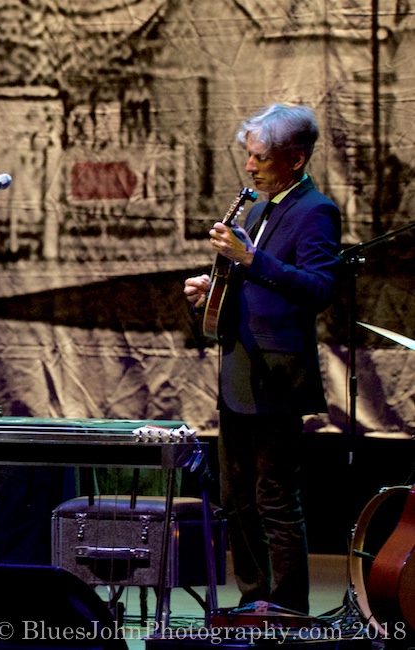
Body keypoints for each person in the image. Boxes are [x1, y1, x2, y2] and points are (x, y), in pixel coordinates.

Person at [183, 103, 342, 615]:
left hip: (277, 374)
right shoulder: (257, 209)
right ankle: (253, 600)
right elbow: (250, 286)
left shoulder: (316, 210)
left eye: (260, 157)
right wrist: (211, 291)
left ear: (295, 159)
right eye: (248, 155)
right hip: (240, 368)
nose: (249, 166)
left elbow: (319, 289)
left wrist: (250, 258)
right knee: (236, 498)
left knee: (274, 497)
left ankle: (288, 607)